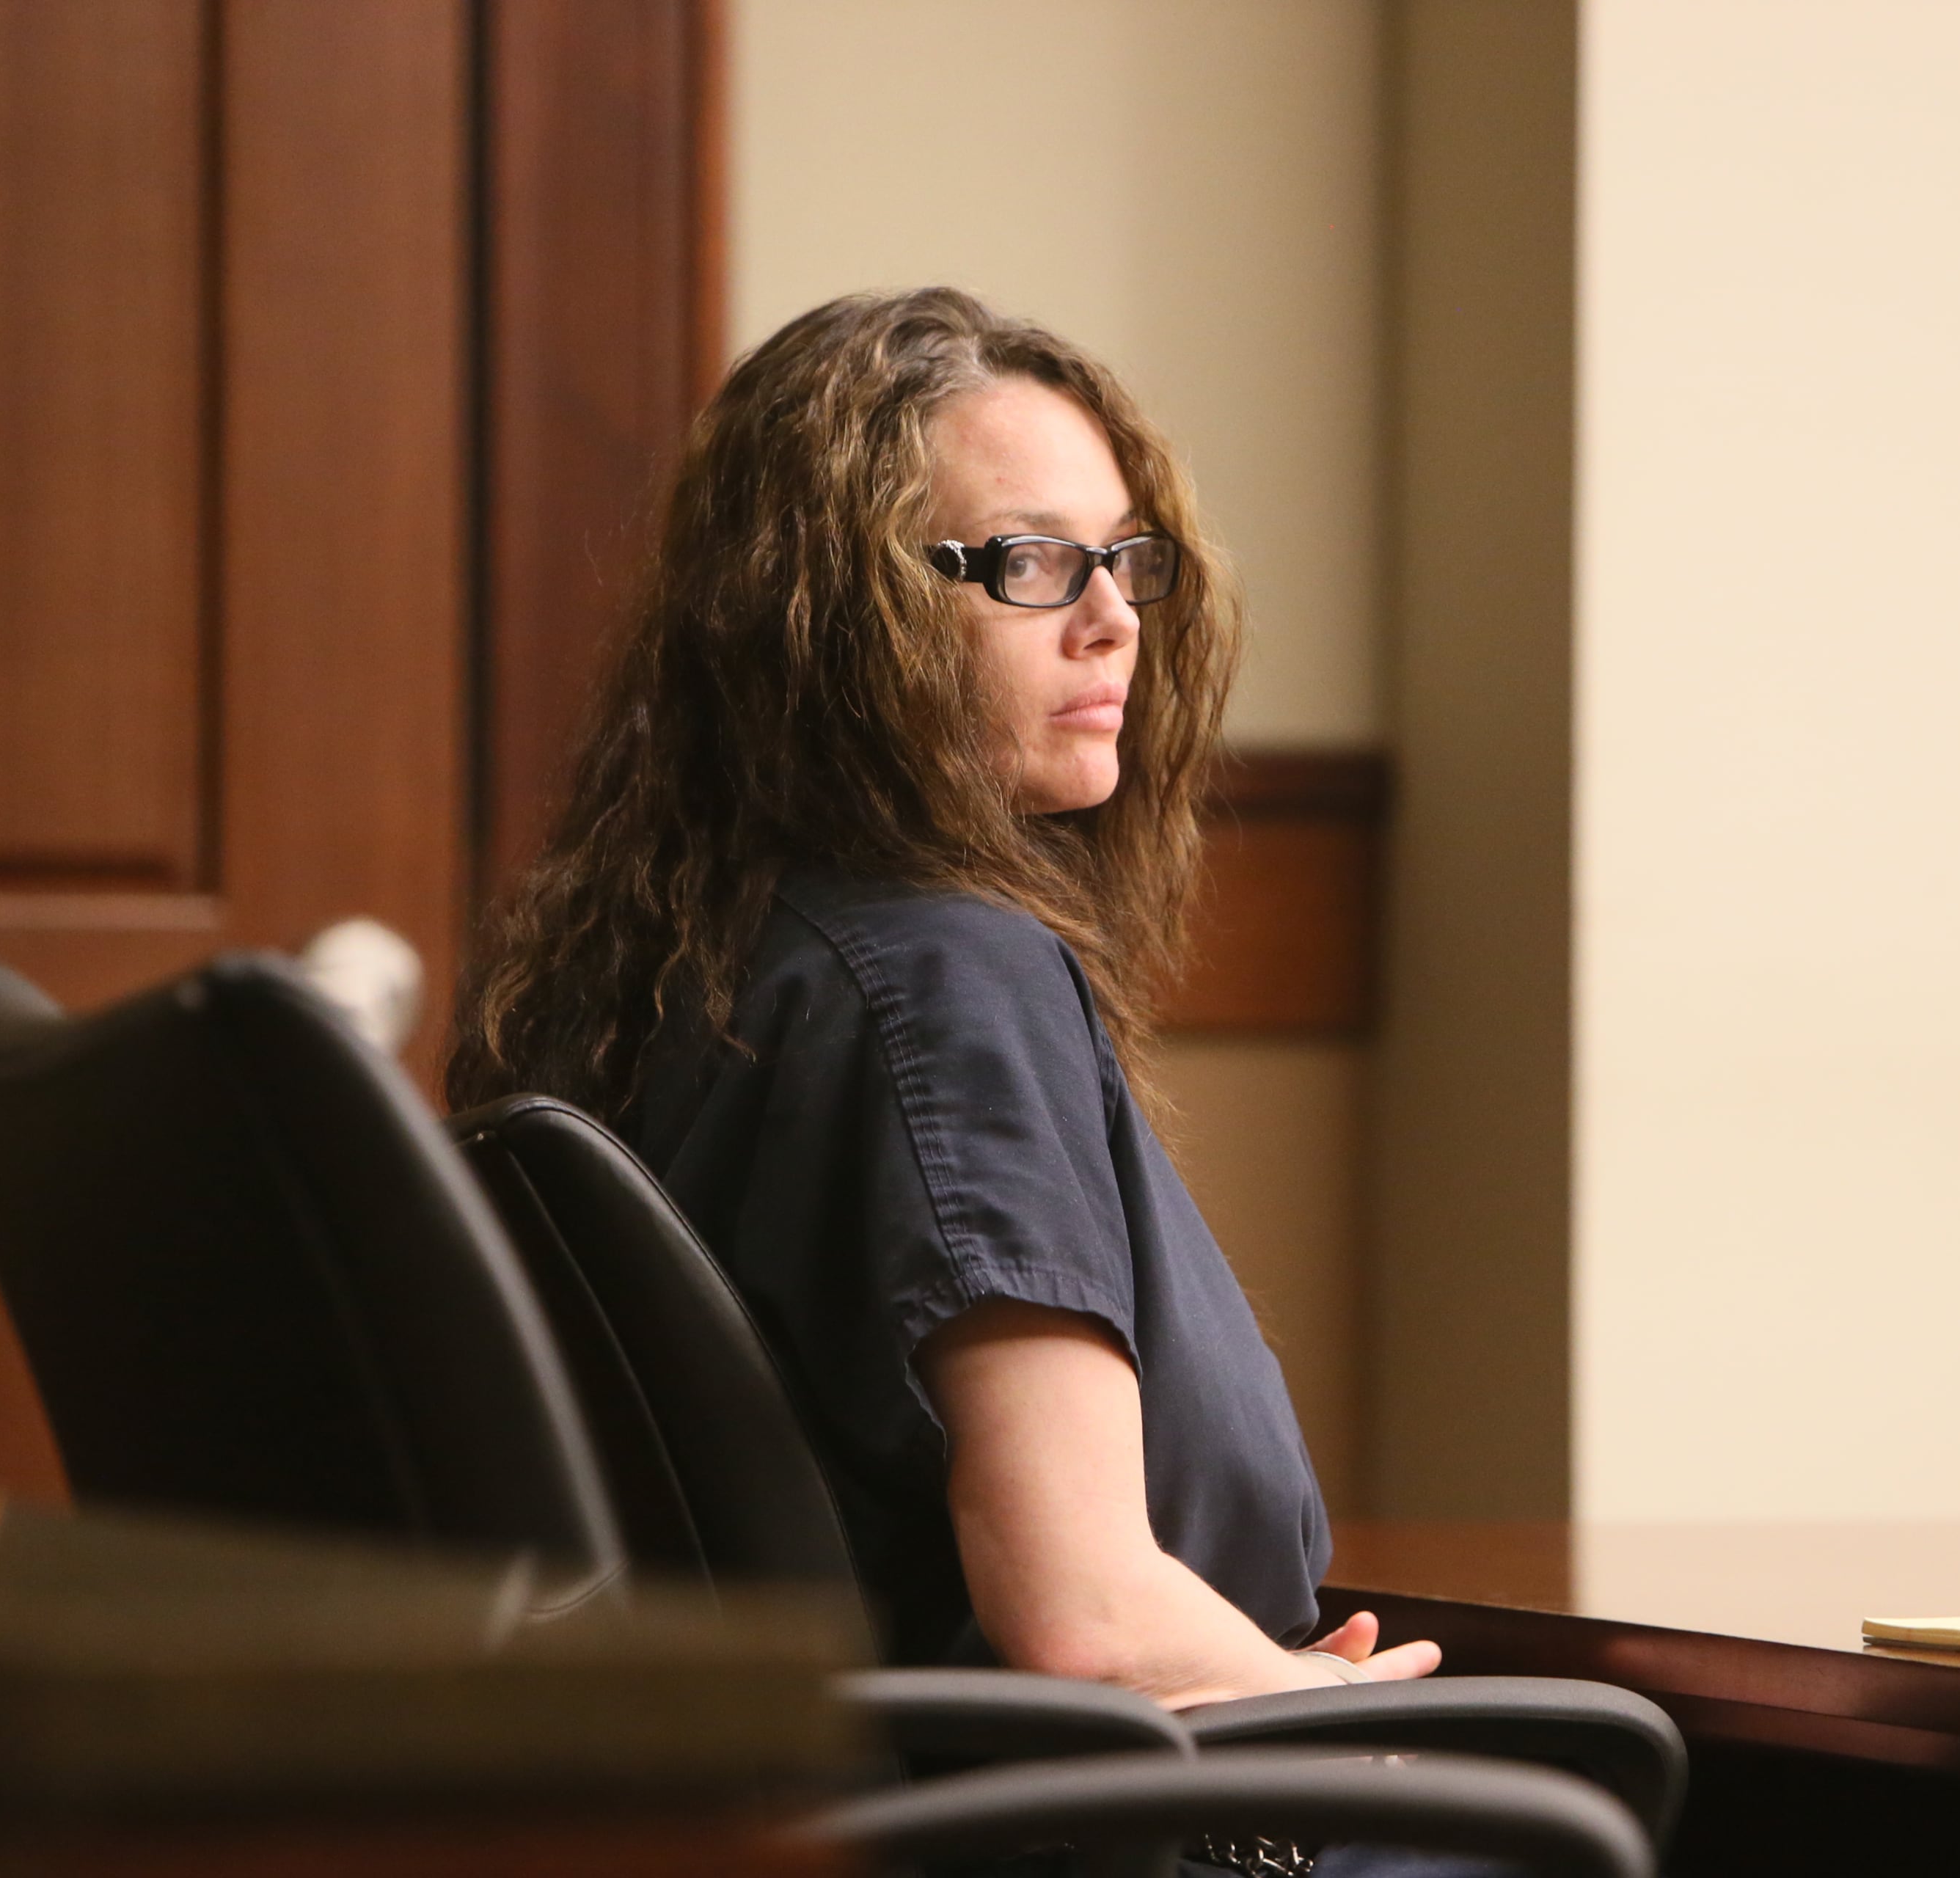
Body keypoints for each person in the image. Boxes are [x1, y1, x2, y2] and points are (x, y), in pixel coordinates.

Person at [448, 288, 1439, 1709]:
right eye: (1030, 561)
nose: (1112, 619)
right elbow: (1088, 1615)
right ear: (832, 613)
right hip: (1119, 1800)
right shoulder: (947, 976)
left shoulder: (678, 971)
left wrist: (1261, 1677)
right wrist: (1337, 1710)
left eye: (1125, 558)